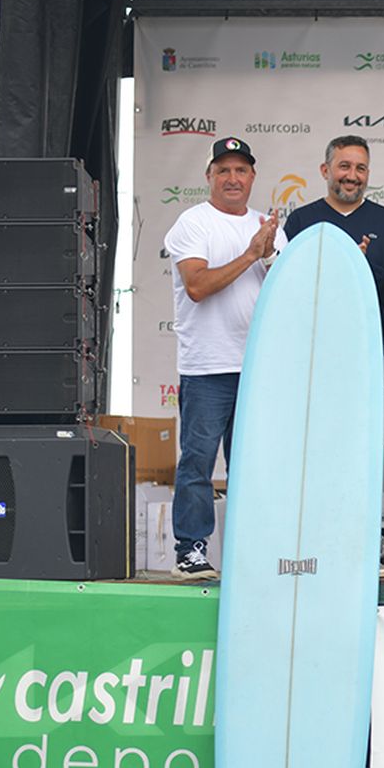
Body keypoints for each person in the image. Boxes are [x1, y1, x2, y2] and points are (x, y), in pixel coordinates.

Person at [162, 136, 284, 580]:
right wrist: (252, 253)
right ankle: (190, 551)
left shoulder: (268, 226)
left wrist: (270, 257)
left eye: (241, 170)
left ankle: (252, 551)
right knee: (198, 462)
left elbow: (285, 293)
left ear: (253, 177)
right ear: (209, 176)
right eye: (224, 170)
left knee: (252, 467)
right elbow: (197, 286)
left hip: (258, 369)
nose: (233, 178)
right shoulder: (192, 223)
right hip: (209, 368)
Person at [283, 134, 384, 356]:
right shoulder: (301, 220)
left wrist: (363, 266)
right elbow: (286, 289)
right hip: (310, 353)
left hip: (367, 351)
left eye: (360, 168)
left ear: (368, 174)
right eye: (344, 166)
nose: (352, 176)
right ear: (325, 170)